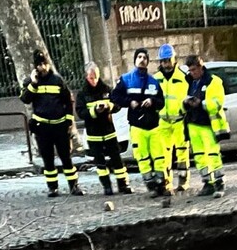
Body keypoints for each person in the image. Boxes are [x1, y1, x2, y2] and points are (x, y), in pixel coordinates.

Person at [20, 49, 84, 197]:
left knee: (66, 158)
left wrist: (69, 120)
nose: (43, 67)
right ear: (35, 67)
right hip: (42, 127)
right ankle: (52, 188)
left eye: (45, 64)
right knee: (47, 160)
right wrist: (34, 83)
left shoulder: (57, 80)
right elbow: (25, 99)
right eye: (39, 65)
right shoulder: (30, 82)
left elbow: (68, 101)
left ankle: (74, 186)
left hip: (60, 126)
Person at [111, 48, 167, 197]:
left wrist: (152, 101)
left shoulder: (154, 82)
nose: (142, 59)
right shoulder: (126, 79)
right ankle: (151, 185)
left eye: (145, 57)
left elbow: (162, 102)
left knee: (159, 156)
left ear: (148, 61)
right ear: (135, 60)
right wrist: (130, 102)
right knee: (142, 157)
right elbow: (114, 97)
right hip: (137, 126)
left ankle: (162, 184)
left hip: (154, 126)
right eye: (139, 57)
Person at [75, 62, 132, 196]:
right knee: (100, 163)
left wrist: (109, 108)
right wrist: (94, 111)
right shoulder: (82, 94)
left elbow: (117, 104)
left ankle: (123, 184)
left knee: (117, 160)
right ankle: (107, 186)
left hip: (109, 132)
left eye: (95, 77)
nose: (93, 80)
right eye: (90, 78)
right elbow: (80, 112)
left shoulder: (106, 89)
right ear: (86, 77)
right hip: (94, 134)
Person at [182, 55, 230, 198]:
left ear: (201, 67)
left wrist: (201, 103)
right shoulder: (189, 82)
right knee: (199, 156)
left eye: (194, 70)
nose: (192, 73)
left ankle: (219, 183)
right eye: (190, 70)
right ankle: (207, 183)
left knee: (213, 154)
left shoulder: (213, 81)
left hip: (207, 123)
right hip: (193, 123)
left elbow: (217, 102)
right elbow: (181, 100)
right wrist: (186, 103)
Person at [154, 44, 192, 192]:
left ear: (174, 59)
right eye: (163, 61)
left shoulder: (183, 78)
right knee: (164, 154)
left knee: (182, 153)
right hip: (163, 122)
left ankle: (183, 181)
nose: (166, 64)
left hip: (179, 121)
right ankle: (166, 183)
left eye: (168, 60)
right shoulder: (156, 79)